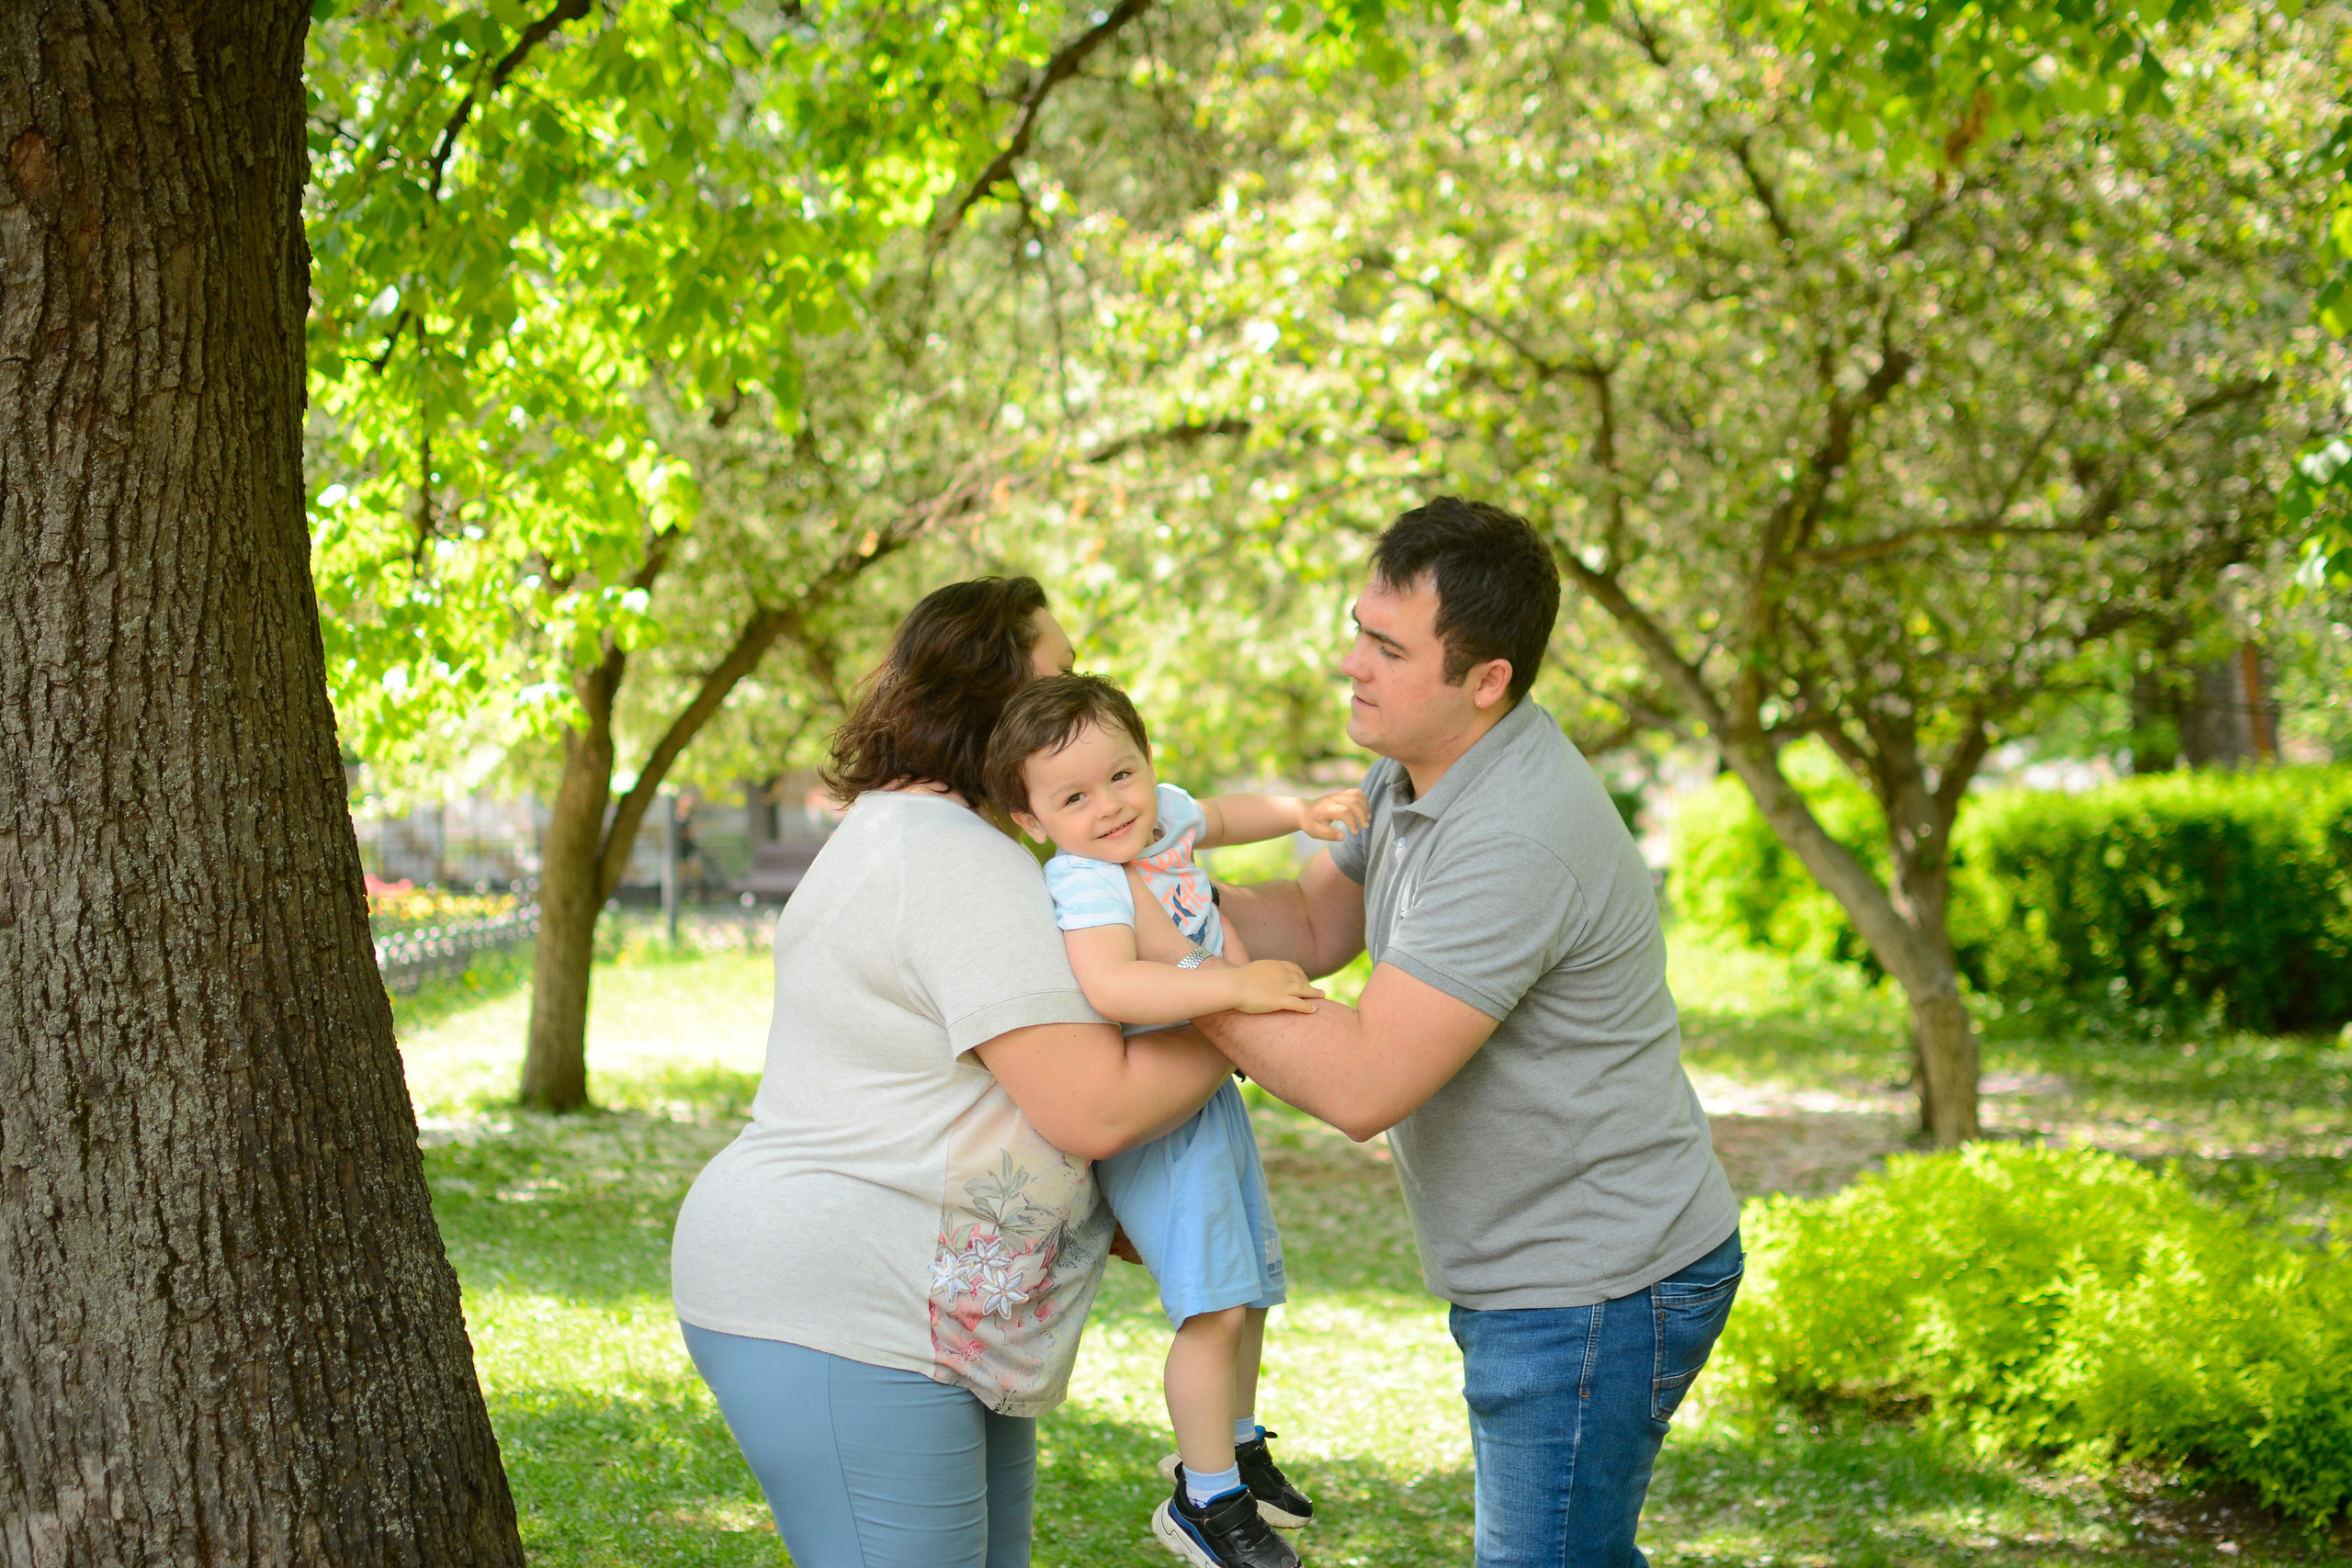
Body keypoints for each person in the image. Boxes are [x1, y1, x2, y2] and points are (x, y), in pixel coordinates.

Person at [1123, 499, 1744, 1568]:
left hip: (1596, 1282)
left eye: (1387, 647)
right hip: (1546, 1267)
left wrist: (1171, 972)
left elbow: (1364, 1083)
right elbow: (1314, 921)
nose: (1349, 664)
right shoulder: (1418, 772)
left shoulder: (1512, 836)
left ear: (1485, 679)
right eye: (1359, 628)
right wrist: (1145, 886)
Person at [670, 577, 1236, 1568]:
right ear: (987, 697)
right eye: (1057, 677)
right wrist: (1237, 1000)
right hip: (846, 1300)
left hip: (919, 1312)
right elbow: (1092, 1106)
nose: (1082, 704)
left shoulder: (920, 834)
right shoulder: (946, 856)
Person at [983, 673, 1368, 1568]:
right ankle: (1203, 1501)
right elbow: (1110, 982)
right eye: (1073, 797)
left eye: (1123, 775)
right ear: (1034, 819)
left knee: (1250, 1284)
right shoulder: (1084, 883)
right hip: (1156, 1105)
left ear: (1148, 764)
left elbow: (1224, 816)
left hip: (1208, 1093)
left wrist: (1299, 811)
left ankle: (1234, 1445)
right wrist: (1231, 984)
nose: (1111, 807)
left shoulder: (1161, 818)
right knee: (1213, 1308)